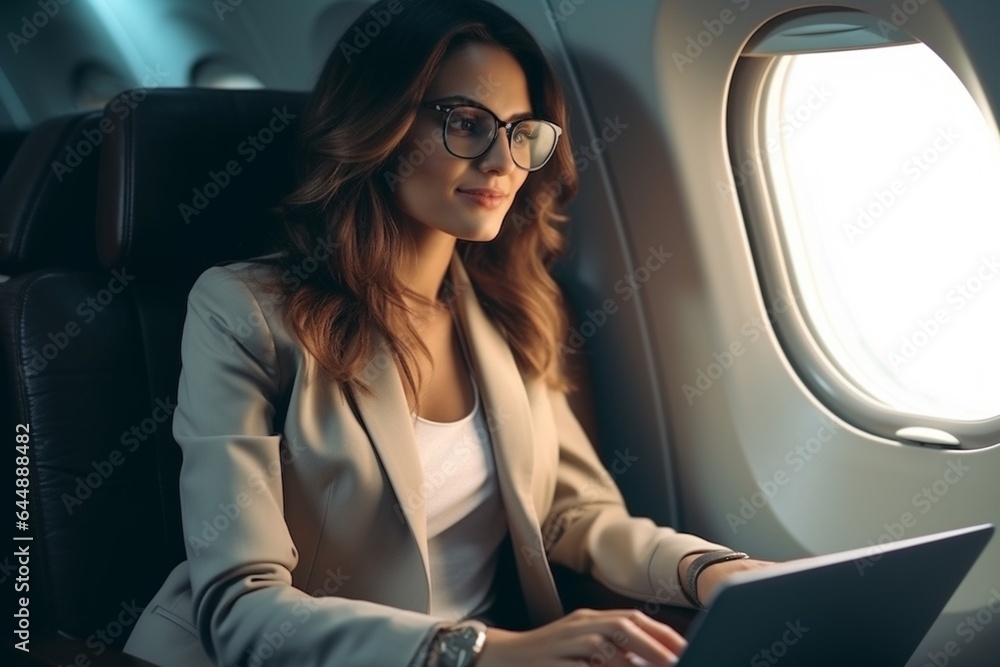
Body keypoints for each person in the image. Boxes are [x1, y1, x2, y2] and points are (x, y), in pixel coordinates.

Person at [123, 1, 771, 665]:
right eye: (467, 123)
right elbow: (242, 606)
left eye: (523, 132)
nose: (501, 161)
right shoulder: (244, 311)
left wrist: (710, 571)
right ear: (381, 124)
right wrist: (483, 650)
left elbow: (572, 516)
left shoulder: (509, 311)